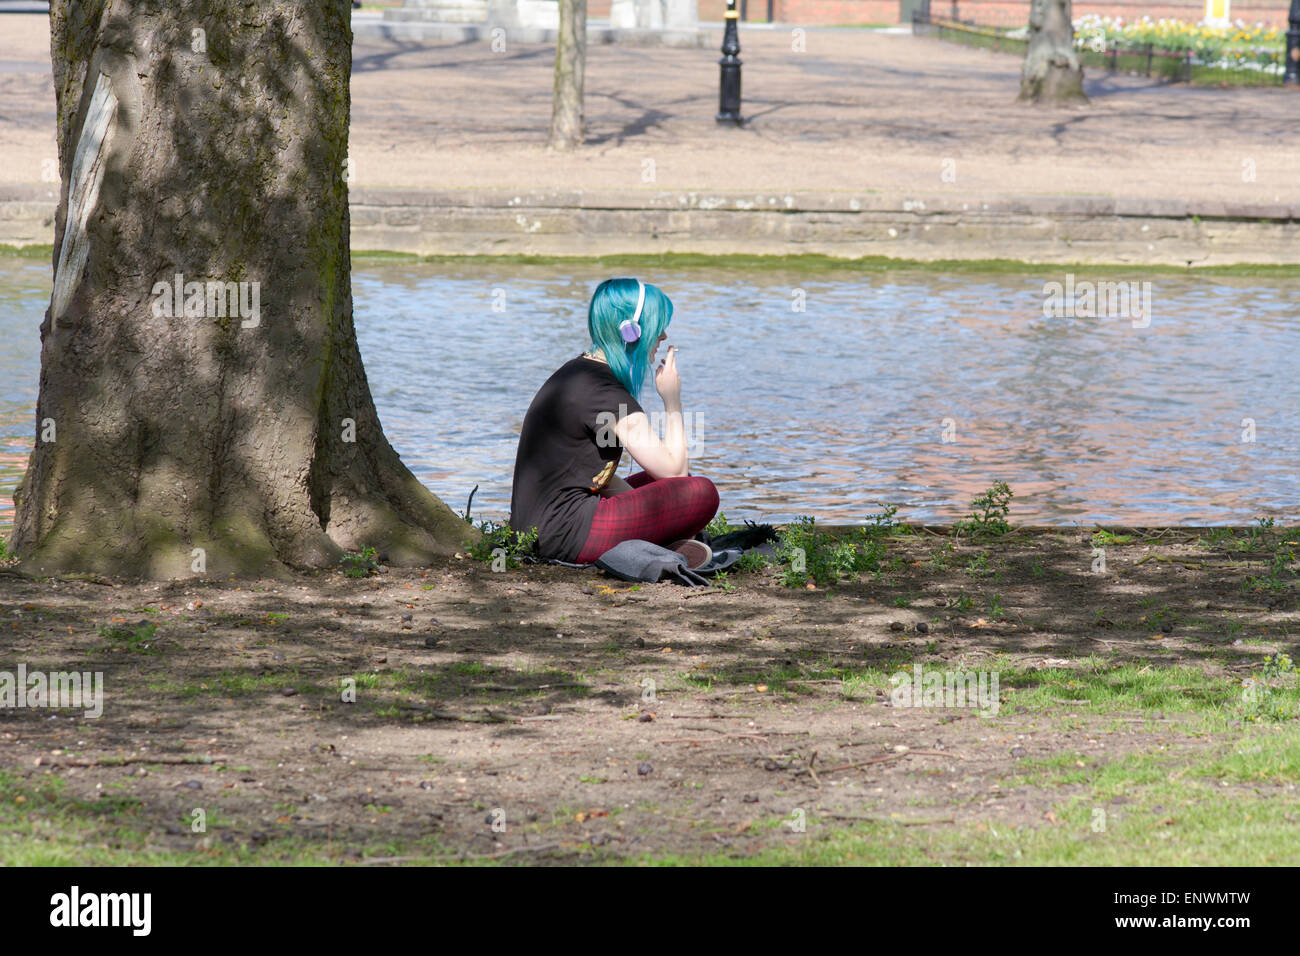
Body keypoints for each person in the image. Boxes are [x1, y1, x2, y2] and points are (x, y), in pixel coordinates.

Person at [508, 277, 719, 565]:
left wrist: (662, 513)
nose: (664, 337)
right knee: (698, 491)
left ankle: (665, 544)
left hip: (543, 528)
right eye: (659, 327)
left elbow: (599, 480)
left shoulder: (579, 373)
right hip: (565, 534)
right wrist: (672, 400)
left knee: (659, 484)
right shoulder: (605, 394)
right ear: (632, 332)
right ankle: (662, 546)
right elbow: (675, 473)